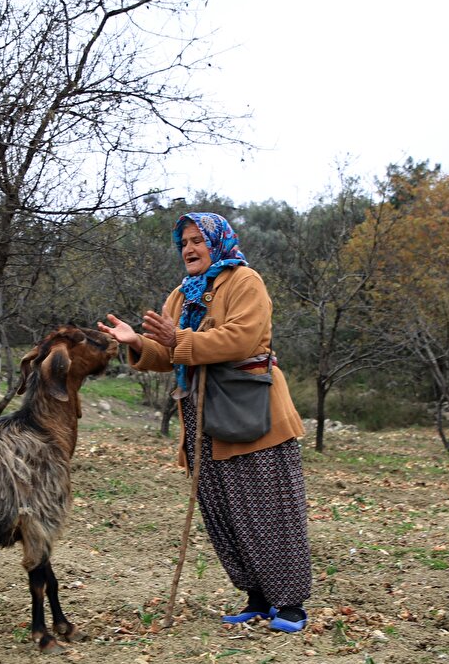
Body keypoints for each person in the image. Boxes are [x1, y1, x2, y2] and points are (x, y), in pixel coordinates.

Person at [98, 212, 312, 632]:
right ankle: (257, 597)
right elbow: (168, 355)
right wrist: (138, 341)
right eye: (184, 243)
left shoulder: (245, 281)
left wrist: (178, 338)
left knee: (268, 509)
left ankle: (290, 604)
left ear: (217, 242)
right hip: (201, 417)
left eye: (198, 240)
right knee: (224, 511)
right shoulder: (181, 296)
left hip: (252, 412)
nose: (189, 249)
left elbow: (242, 339)